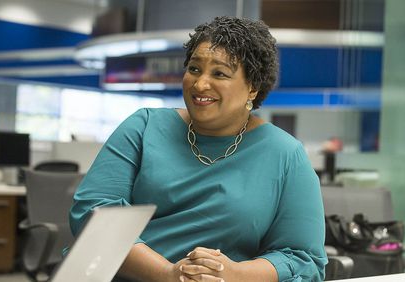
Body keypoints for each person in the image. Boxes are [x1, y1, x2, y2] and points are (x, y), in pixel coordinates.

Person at [69, 16, 327, 282]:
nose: (200, 84)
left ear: (253, 88)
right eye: (194, 69)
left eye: (219, 73)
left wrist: (236, 275)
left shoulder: (285, 155)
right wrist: (166, 273)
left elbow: (302, 258)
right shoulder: (144, 127)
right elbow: (95, 211)